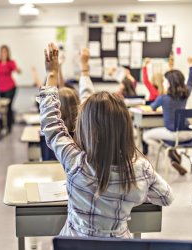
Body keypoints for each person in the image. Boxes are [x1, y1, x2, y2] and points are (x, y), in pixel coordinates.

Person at [39, 43, 173, 238]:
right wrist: (136, 191)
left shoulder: (75, 163)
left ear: (85, 126)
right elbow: (166, 197)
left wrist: (52, 75)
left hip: (74, 244)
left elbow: (51, 124)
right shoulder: (139, 168)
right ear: (124, 128)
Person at [143, 57, 192, 175]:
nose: (163, 82)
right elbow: (191, 81)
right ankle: (172, 154)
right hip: (189, 134)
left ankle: (168, 154)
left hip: (173, 134)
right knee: (164, 135)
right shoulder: (185, 95)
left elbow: (152, 108)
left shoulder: (163, 98)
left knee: (145, 135)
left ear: (169, 83)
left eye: (165, 81)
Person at [0, 45, 21, 133]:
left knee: (8, 107)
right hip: (1, 88)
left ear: (8, 53)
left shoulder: (11, 62)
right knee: (1, 107)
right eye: (2, 51)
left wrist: (18, 70)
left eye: (5, 51)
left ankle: (9, 127)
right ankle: (1, 126)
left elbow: (17, 70)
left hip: (10, 87)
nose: (3, 53)